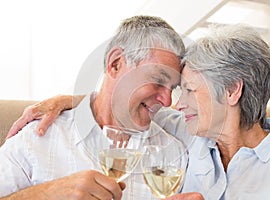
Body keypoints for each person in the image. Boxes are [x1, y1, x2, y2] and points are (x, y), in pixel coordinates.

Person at [8, 24, 270, 199]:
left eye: (185, 89)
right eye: (172, 87)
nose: (173, 102)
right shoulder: (185, 132)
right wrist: (69, 100)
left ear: (232, 91)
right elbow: (117, 101)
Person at [0, 15, 204, 200]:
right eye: (158, 79)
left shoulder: (172, 153)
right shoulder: (39, 136)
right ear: (115, 64)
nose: (167, 101)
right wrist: (45, 194)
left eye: (173, 88)